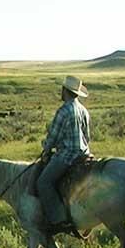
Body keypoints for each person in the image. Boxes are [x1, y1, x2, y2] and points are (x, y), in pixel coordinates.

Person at [38, 75, 91, 234]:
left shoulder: (63, 111)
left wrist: (46, 150)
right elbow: (87, 137)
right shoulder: (83, 110)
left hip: (68, 156)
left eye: (62, 89)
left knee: (44, 183)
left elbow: (53, 137)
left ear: (65, 91)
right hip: (84, 154)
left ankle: (58, 220)